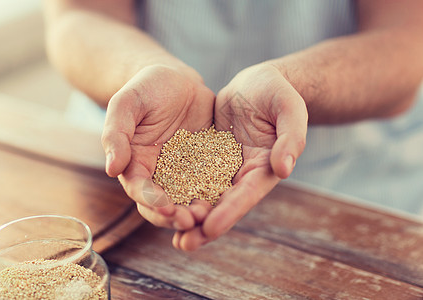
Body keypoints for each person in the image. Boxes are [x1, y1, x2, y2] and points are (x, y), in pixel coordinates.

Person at [43, 0, 423, 251]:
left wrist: (293, 82)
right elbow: (78, 15)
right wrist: (140, 71)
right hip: (134, 151)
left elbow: (405, 41)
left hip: (351, 189)